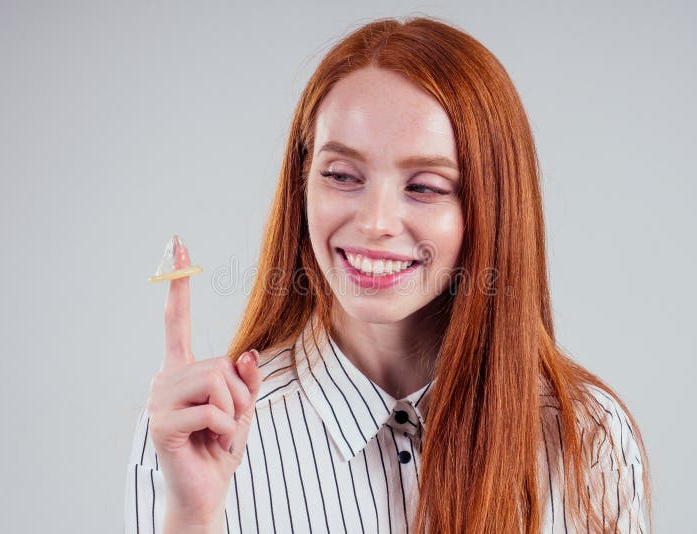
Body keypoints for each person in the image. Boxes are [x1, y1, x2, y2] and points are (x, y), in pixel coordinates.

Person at [124, 15, 653, 534]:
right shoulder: (198, 435)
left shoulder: (585, 436)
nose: (375, 223)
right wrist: (191, 521)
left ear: (492, 209)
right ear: (302, 186)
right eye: (341, 176)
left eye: (424, 186)